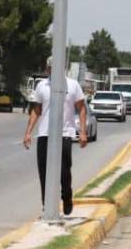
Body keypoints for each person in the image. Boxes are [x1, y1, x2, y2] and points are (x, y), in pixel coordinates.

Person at [23, 58, 88, 215]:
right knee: (43, 171)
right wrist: (28, 132)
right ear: (48, 69)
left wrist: (83, 132)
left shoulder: (73, 85)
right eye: (50, 67)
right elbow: (36, 110)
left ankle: (66, 196)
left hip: (65, 134)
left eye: (56, 67)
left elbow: (81, 108)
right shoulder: (42, 86)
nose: (52, 70)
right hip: (45, 134)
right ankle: (47, 205)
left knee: (64, 170)